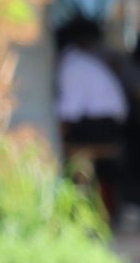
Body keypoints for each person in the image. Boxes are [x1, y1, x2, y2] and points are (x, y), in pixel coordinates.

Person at [54, 15, 131, 218]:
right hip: (108, 124)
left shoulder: (72, 66)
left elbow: (68, 113)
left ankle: (78, 210)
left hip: (102, 126)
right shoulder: (80, 63)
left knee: (64, 149)